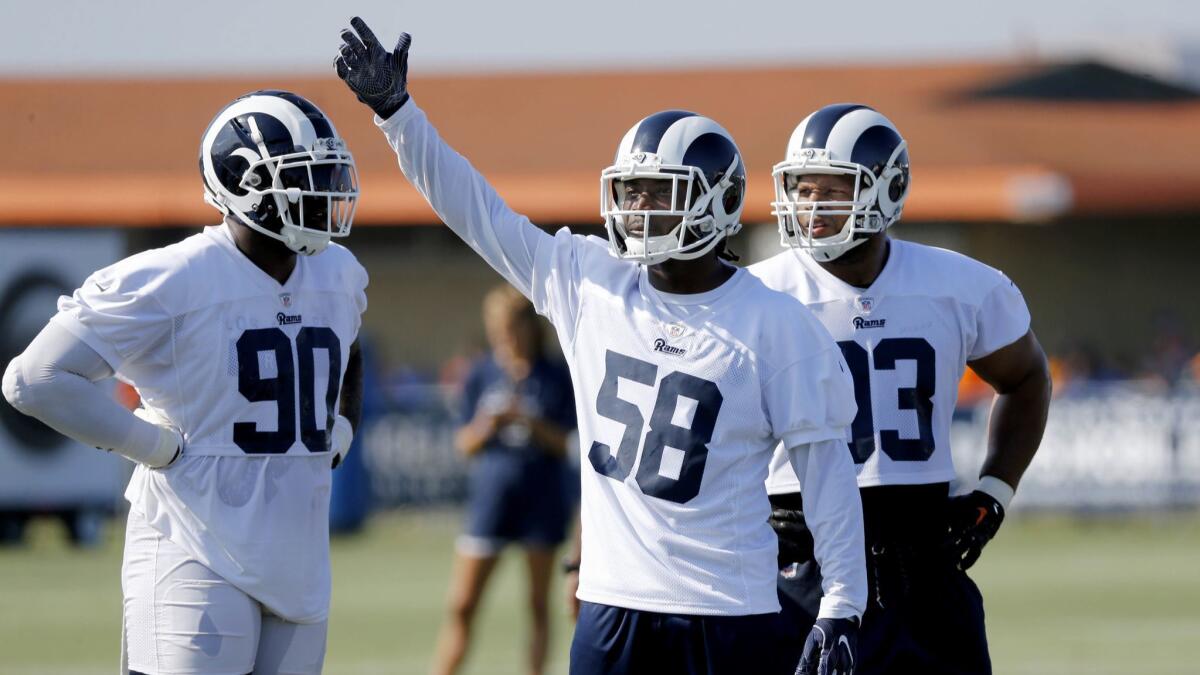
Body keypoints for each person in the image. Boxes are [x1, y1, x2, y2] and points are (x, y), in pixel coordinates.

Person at [334, 18, 866, 675]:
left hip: (731, 608)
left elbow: (827, 475)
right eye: (631, 190)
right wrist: (398, 115)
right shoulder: (590, 279)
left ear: (716, 203)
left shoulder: (776, 323)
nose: (636, 207)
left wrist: (843, 601)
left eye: (658, 193)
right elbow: (477, 212)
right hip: (612, 605)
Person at [2, 90, 368, 675]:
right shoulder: (175, 276)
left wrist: (342, 425)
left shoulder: (338, 272)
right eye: (308, 176)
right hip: (193, 543)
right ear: (245, 183)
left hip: (299, 554)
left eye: (328, 172)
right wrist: (152, 447)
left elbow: (349, 343)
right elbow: (33, 377)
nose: (327, 191)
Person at [750, 103, 1052, 674]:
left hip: (922, 563)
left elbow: (1026, 376)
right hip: (797, 563)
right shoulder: (757, 295)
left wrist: (995, 490)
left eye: (833, 188)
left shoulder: (960, 285)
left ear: (886, 190)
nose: (811, 206)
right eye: (802, 187)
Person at [432, 283, 576, 675]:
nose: (504, 337)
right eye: (496, 328)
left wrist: (530, 421)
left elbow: (569, 444)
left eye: (511, 327)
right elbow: (464, 443)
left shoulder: (555, 375)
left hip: (541, 499)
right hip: (490, 499)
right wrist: (488, 424)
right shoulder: (482, 372)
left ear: (529, 327)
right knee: (462, 604)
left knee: (537, 605)